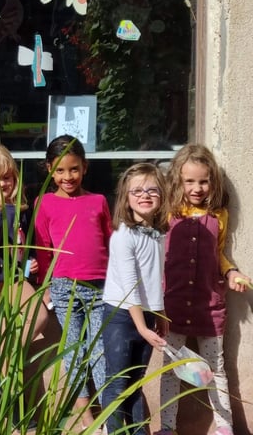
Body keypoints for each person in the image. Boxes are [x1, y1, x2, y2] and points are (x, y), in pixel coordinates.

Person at [156, 144, 250, 435]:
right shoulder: (168, 214)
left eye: (203, 181)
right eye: (189, 181)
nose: (197, 188)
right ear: (177, 181)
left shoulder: (219, 216)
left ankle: (225, 426)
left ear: (212, 182)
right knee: (171, 370)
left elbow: (218, 253)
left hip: (208, 304)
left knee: (216, 368)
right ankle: (167, 427)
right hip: (172, 302)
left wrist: (231, 271)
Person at [34, 134, 112, 431]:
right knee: (74, 354)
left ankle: (109, 416)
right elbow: (42, 248)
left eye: (74, 169)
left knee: (100, 352)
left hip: (99, 287)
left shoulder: (98, 201)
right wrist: (44, 286)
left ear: (85, 167)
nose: (68, 177)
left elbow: (110, 241)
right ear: (49, 169)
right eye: (61, 170)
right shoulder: (44, 203)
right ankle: (86, 420)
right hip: (64, 287)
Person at [101, 163, 169, 435]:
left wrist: (160, 314)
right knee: (118, 382)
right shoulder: (123, 237)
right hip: (121, 315)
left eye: (152, 189)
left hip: (147, 314)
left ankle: (139, 432)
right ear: (126, 198)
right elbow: (130, 287)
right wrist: (141, 328)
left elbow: (156, 279)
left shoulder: (158, 233)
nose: (145, 195)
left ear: (162, 195)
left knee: (137, 380)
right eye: (137, 190)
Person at [0, 143, 48, 340]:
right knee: (0, 329)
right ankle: (5, 362)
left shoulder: (20, 208)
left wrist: (31, 260)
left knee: (39, 316)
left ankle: (10, 357)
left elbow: (25, 241)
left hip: (16, 278)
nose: (2, 184)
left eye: (6, 177)